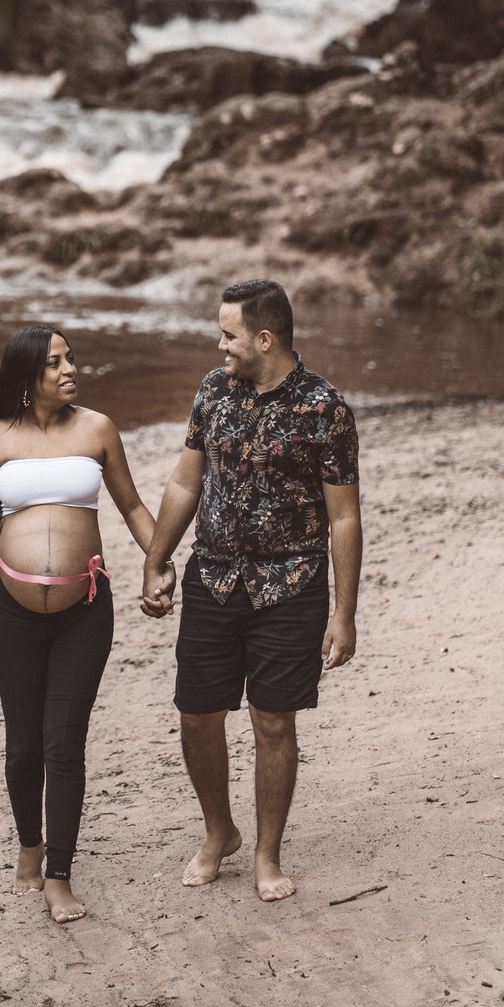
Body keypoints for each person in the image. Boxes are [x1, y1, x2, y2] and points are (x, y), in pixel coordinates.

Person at [140, 278, 361, 903]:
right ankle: (220, 832)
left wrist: (344, 613)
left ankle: (267, 854)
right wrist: (157, 560)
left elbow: (344, 517)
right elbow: (186, 482)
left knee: (273, 721)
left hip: (290, 586)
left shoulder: (324, 408)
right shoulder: (214, 390)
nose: (220, 346)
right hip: (213, 577)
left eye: (229, 335)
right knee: (196, 713)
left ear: (264, 339)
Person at [0, 325, 156, 923]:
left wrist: (160, 564)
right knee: (23, 748)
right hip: (12, 615)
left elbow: (132, 506)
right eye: (55, 362)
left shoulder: (97, 429)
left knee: (63, 744)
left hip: (84, 613)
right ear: (27, 375)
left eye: (71, 358)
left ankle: (59, 874)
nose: (70, 369)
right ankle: (30, 844)